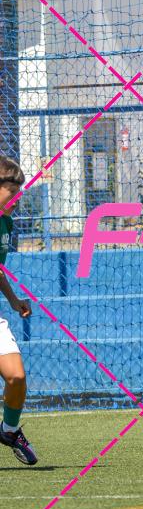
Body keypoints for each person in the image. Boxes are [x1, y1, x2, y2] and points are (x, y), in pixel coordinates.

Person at [0, 156, 37, 465]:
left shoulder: (6, 224)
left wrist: (13, 300)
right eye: (12, 192)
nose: (17, 198)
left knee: (16, 377)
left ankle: (9, 431)